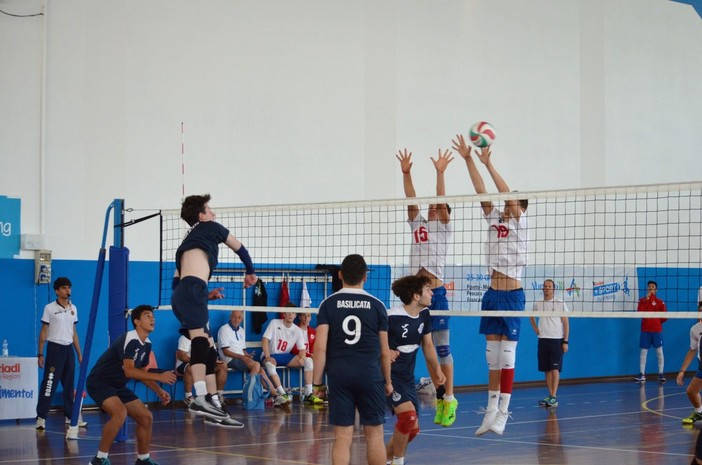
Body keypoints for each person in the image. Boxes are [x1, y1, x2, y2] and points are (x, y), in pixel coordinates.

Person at [453, 134, 528, 436]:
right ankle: (491, 410)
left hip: (512, 296)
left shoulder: (521, 223)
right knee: (492, 356)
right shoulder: (495, 219)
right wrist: (470, 159)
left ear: (520, 207)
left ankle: (504, 413)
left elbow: (506, 193)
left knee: (507, 355)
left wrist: (490, 162)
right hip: (492, 294)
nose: (506, 206)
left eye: (512, 204)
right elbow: (481, 192)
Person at [171, 194, 255, 426]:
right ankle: (199, 398)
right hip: (194, 289)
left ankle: (213, 408)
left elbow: (176, 284)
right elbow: (239, 248)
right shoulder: (212, 227)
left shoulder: (184, 245)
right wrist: (250, 272)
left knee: (208, 348)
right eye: (209, 209)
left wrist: (202, 296)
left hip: (183, 294)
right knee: (199, 342)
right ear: (202, 215)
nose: (213, 213)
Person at [396, 148, 458, 427]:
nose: (432, 207)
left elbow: (442, 200)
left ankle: (449, 399)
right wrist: (407, 173)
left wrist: (440, 172)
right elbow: (412, 200)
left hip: (437, 294)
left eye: (437, 207)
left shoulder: (443, 227)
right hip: (414, 296)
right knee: (419, 347)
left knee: (441, 348)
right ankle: (419, 391)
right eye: (431, 206)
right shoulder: (418, 224)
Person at [312, 254, 393, 465]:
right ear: (365, 276)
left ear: (340, 275)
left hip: (339, 376)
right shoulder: (377, 306)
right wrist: (388, 381)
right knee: (375, 436)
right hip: (370, 375)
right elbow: (385, 351)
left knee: (342, 438)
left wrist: (317, 384)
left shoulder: (328, 304)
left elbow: (319, 348)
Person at [86, 305, 177, 465]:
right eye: (147, 316)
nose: (152, 319)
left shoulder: (147, 344)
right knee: (119, 413)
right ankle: (99, 459)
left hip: (118, 385)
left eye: (153, 316)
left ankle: (143, 459)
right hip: (99, 382)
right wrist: (159, 377)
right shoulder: (130, 339)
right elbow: (129, 371)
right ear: (137, 322)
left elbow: (141, 373)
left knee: (146, 417)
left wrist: (158, 390)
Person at [385, 275, 446, 465]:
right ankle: (397, 462)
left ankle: (384, 460)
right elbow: (369, 340)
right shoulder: (390, 317)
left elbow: (428, 346)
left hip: (407, 379)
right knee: (407, 417)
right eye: (428, 289)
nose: (432, 293)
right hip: (388, 376)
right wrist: (385, 351)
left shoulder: (424, 314)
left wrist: (437, 371)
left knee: (412, 429)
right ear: (416, 296)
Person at [36, 276, 87, 430]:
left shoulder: (73, 308)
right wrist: (40, 353)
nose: (67, 290)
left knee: (69, 385)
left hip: (68, 350)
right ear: (57, 291)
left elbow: (74, 332)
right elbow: (44, 332)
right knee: (49, 383)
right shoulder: (49, 308)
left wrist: (79, 354)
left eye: (69, 287)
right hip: (54, 349)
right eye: (64, 288)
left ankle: (70, 417)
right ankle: (41, 417)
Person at [261, 311, 323, 406]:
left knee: (308, 361)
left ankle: (308, 394)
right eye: (288, 312)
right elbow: (265, 340)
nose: (290, 315)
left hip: (285, 356)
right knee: (269, 365)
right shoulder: (274, 322)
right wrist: (267, 356)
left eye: (293, 313)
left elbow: (302, 349)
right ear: (284, 314)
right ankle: (282, 394)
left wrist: (302, 357)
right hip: (271, 354)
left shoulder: (297, 330)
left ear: (295, 315)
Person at [529, 279, 569, 408]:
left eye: (549, 286)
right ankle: (550, 395)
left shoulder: (560, 303)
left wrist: (565, 341)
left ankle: (554, 397)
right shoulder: (538, 303)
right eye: (545, 286)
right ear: (542, 289)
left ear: (553, 289)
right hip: (543, 339)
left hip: (556, 339)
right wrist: (536, 329)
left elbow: (566, 323)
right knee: (546, 369)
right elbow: (531, 317)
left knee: (554, 369)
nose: (547, 288)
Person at [216, 310, 275, 394]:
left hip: (240, 358)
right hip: (229, 359)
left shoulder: (242, 330)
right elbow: (225, 352)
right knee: (256, 365)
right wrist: (242, 357)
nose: (236, 319)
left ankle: (275, 396)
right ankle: (248, 394)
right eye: (234, 317)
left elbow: (242, 350)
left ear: (242, 319)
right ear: (230, 317)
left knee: (260, 371)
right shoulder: (224, 329)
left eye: (239, 317)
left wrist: (247, 355)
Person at [175, 334, 229, 407]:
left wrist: (214, 361)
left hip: (204, 365)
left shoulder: (209, 338)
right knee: (191, 367)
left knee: (223, 365)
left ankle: (218, 396)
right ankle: (188, 397)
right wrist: (197, 362)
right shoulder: (186, 337)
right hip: (186, 363)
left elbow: (213, 354)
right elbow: (181, 356)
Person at [635, 280, 667, 383]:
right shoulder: (642, 301)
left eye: (652, 286)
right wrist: (647, 300)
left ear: (656, 290)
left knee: (659, 352)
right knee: (643, 352)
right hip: (645, 330)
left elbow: (664, 316)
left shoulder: (660, 302)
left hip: (656, 330)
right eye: (649, 286)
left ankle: (661, 374)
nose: (650, 288)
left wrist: (656, 322)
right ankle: (642, 374)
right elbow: (640, 313)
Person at [676, 306, 702, 425]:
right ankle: (699, 412)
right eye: (700, 311)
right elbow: (692, 350)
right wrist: (682, 371)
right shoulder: (695, 329)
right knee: (691, 391)